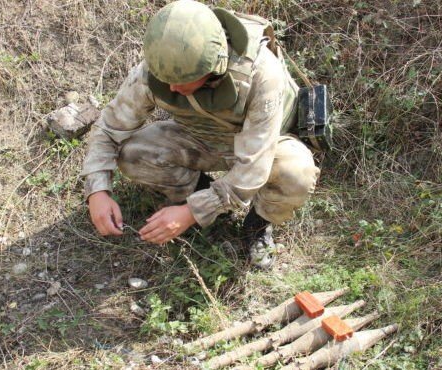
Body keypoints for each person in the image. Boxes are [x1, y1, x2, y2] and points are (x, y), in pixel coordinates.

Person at [80, 0, 319, 269]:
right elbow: (109, 128)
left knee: (296, 171)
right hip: (200, 139)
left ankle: (257, 224)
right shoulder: (156, 70)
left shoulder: (261, 74)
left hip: (263, 147)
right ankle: (202, 196)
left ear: (214, 65)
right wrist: (98, 190)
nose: (171, 86)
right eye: (166, 78)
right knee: (133, 155)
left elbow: (253, 167)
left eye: (182, 80)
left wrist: (192, 212)